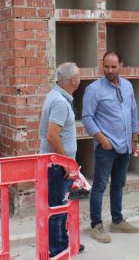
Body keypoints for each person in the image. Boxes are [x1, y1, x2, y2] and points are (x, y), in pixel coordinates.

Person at [82, 51, 139, 243]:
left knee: (118, 184)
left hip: (124, 145)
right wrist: (101, 138)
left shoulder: (128, 86)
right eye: (106, 66)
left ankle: (117, 220)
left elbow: (133, 111)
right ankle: (96, 225)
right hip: (106, 147)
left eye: (113, 66)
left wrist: (135, 138)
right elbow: (87, 117)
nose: (110, 70)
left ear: (120, 65)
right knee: (99, 186)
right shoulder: (94, 89)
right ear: (102, 66)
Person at [39, 62, 85, 257]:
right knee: (57, 206)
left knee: (61, 205)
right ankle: (57, 249)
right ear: (74, 80)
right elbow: (52, 135)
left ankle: (62, 242)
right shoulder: (59, 101)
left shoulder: (56, 96)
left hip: (57, 164)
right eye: (79, 76)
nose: (80, 79)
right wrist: (66, 162)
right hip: (58, 166)